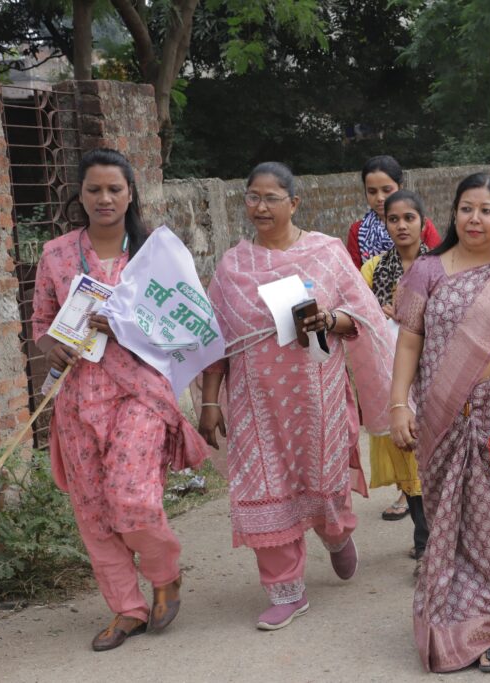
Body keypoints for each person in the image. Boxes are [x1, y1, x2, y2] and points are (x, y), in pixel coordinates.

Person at [200, 162, 395, 630]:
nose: (260, 207)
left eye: (270, 198)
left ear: (294, 203)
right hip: (254, 403)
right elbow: (214, 340)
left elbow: (362, 318)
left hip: (317, 397)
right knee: (262, 485)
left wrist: (329, 318)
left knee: (322, 486)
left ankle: (336, 532)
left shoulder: (325, 253)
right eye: (252, 197)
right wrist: (209, 402)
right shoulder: (232, 267)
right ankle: (286, 590)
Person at [32, 148, 206, 651]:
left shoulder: (157, 253)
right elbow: (42, 323)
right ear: (80, 195)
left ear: (131, 193)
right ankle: (126, 609)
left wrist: (127, 325)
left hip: (141, 392)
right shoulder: (57, 254)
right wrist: (53, 347)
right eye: (94, 189)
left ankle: (164, 574)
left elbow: (186, 326)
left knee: (132, 497)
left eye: (114, 189)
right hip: (78, 396)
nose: (104, 198)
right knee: (92, 509)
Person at [389, 173, 490, 673]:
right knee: (450, 525)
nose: (475, 219)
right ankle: (449, 618)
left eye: (486, 210)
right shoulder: (427, 272)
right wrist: (399, 404)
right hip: (442, 420)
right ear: (453, 213)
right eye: (466, 208)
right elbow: (410, 340)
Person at [344, 154, 439, 520]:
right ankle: (408, 491)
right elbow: (353, 280)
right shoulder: (360, 233)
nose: (381, 198)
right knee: (398, 415)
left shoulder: (429, 250)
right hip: (382, 337)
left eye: (388, 190)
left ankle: (426, 494)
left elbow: (430, 269)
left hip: (422, 338)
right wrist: (374, 308)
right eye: (373, 192)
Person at [360, 189, 431, 574]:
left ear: (423, 222)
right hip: (391, 373)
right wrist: (377, 310)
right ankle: (424, 537)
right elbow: (355, 312)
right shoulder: (372, 270)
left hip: (434, 372)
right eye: (393, 219)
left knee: (431, 454)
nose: (401, 226)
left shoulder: (439, 265)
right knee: (405, 451)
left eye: (409, 218)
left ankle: (431, 538)